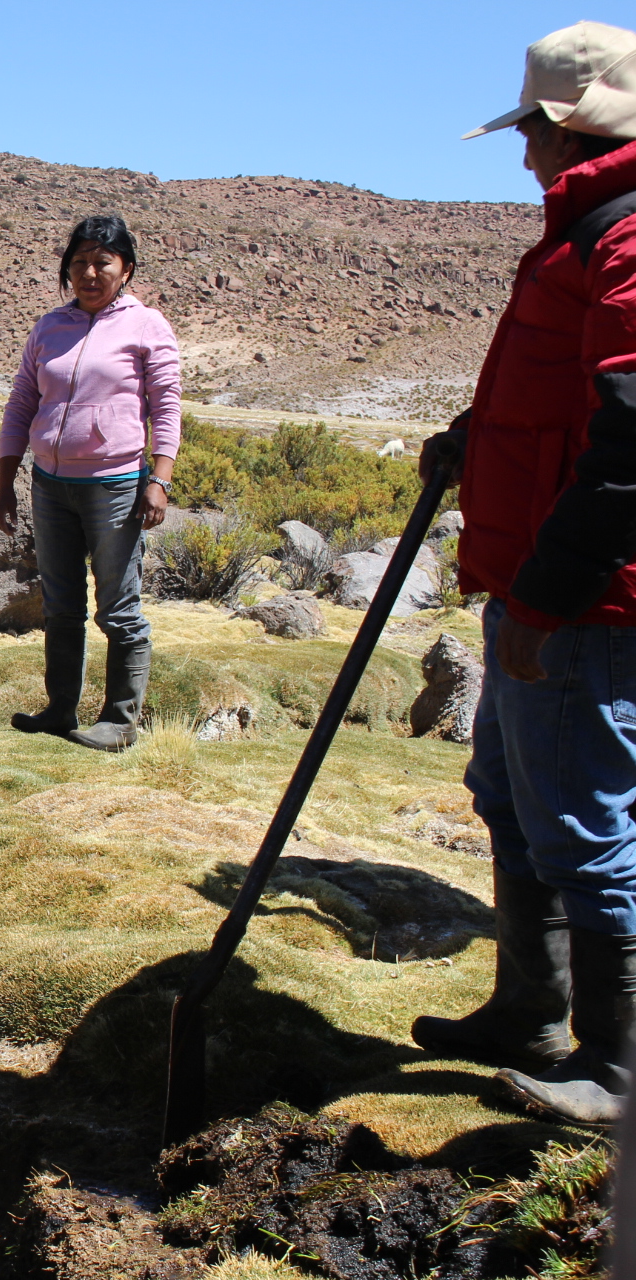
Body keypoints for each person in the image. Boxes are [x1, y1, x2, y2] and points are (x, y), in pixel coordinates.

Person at [409, 20, 636, 1128]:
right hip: (537, 584)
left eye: (537, 130)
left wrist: (548, 595)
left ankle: (616, 1069)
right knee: (510, 797)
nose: (525, 153)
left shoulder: (626, 235)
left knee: (588, 827)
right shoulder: (581, 231)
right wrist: (472, 430)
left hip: (585, 600)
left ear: (572, 127)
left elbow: (631, 432)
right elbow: (557, 390)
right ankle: (530, 1013)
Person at [0, 214, 180, 751]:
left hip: (115, 485)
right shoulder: (50, 327)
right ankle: (60, 710)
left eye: (103, 261)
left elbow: (166, 406)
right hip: (49, 484)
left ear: (126, 268)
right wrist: (7, 481)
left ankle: (121, 720)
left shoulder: (147, 326)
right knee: (61, 604)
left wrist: (160, 478)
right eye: (79, 262)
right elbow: (21, 404)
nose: (90, 272)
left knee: (117, 606)